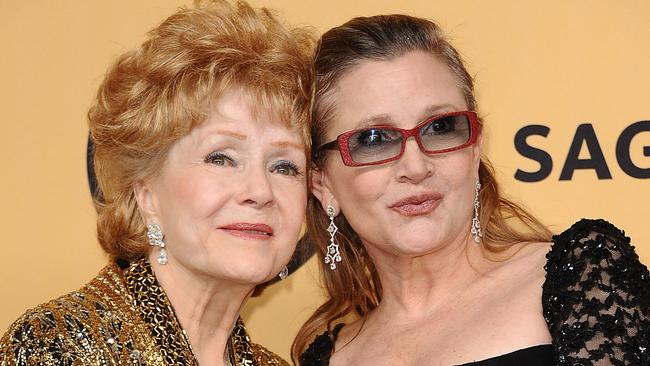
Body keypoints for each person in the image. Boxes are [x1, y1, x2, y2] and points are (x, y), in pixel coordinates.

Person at [294, 14, 650, 366]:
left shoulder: (584, 277)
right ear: (322, 183)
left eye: (441, 127)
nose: (416, 167)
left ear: (476, 146)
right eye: (373, 139)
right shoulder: (330, 355)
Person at [0, 1, 313, 365]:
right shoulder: (57, 345)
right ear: (146, 193)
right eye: (221, 158)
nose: (259, 192)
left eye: (284, 166)